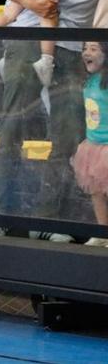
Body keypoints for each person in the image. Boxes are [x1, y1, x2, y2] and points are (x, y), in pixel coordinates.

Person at [0, 0, 108, 238]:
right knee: (11, 127)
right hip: (28, 38)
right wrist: (32, 3)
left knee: (68, 137)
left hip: (72, 52)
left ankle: (46, 219)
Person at [71, 41, 108, 246]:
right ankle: (102, 231)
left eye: (94, 49)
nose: (87, 52)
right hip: (92, 145)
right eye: (85, 48)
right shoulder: (90, 80)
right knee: (96, 191)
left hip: (107, 146)